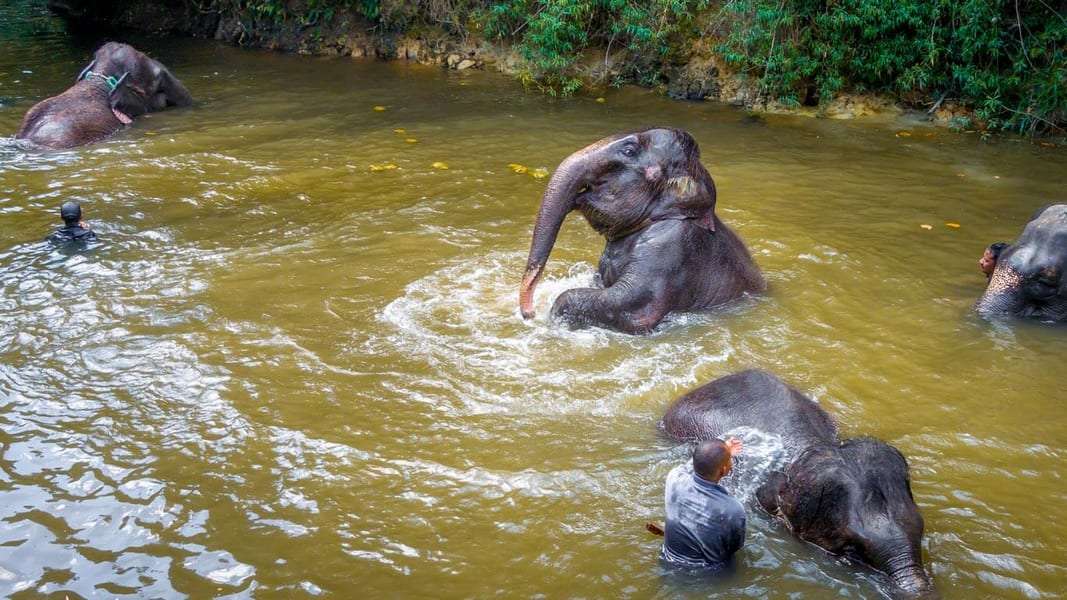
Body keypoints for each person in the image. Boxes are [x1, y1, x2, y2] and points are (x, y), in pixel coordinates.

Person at [653, 438, 746, 570]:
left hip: (667, 561)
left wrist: (725, 451)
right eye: (729, 460)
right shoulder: (733, 509)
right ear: (723, 470)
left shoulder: (674, 477)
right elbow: (735, 547)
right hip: (710, 575)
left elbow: (694, 463)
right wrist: (725, 454)